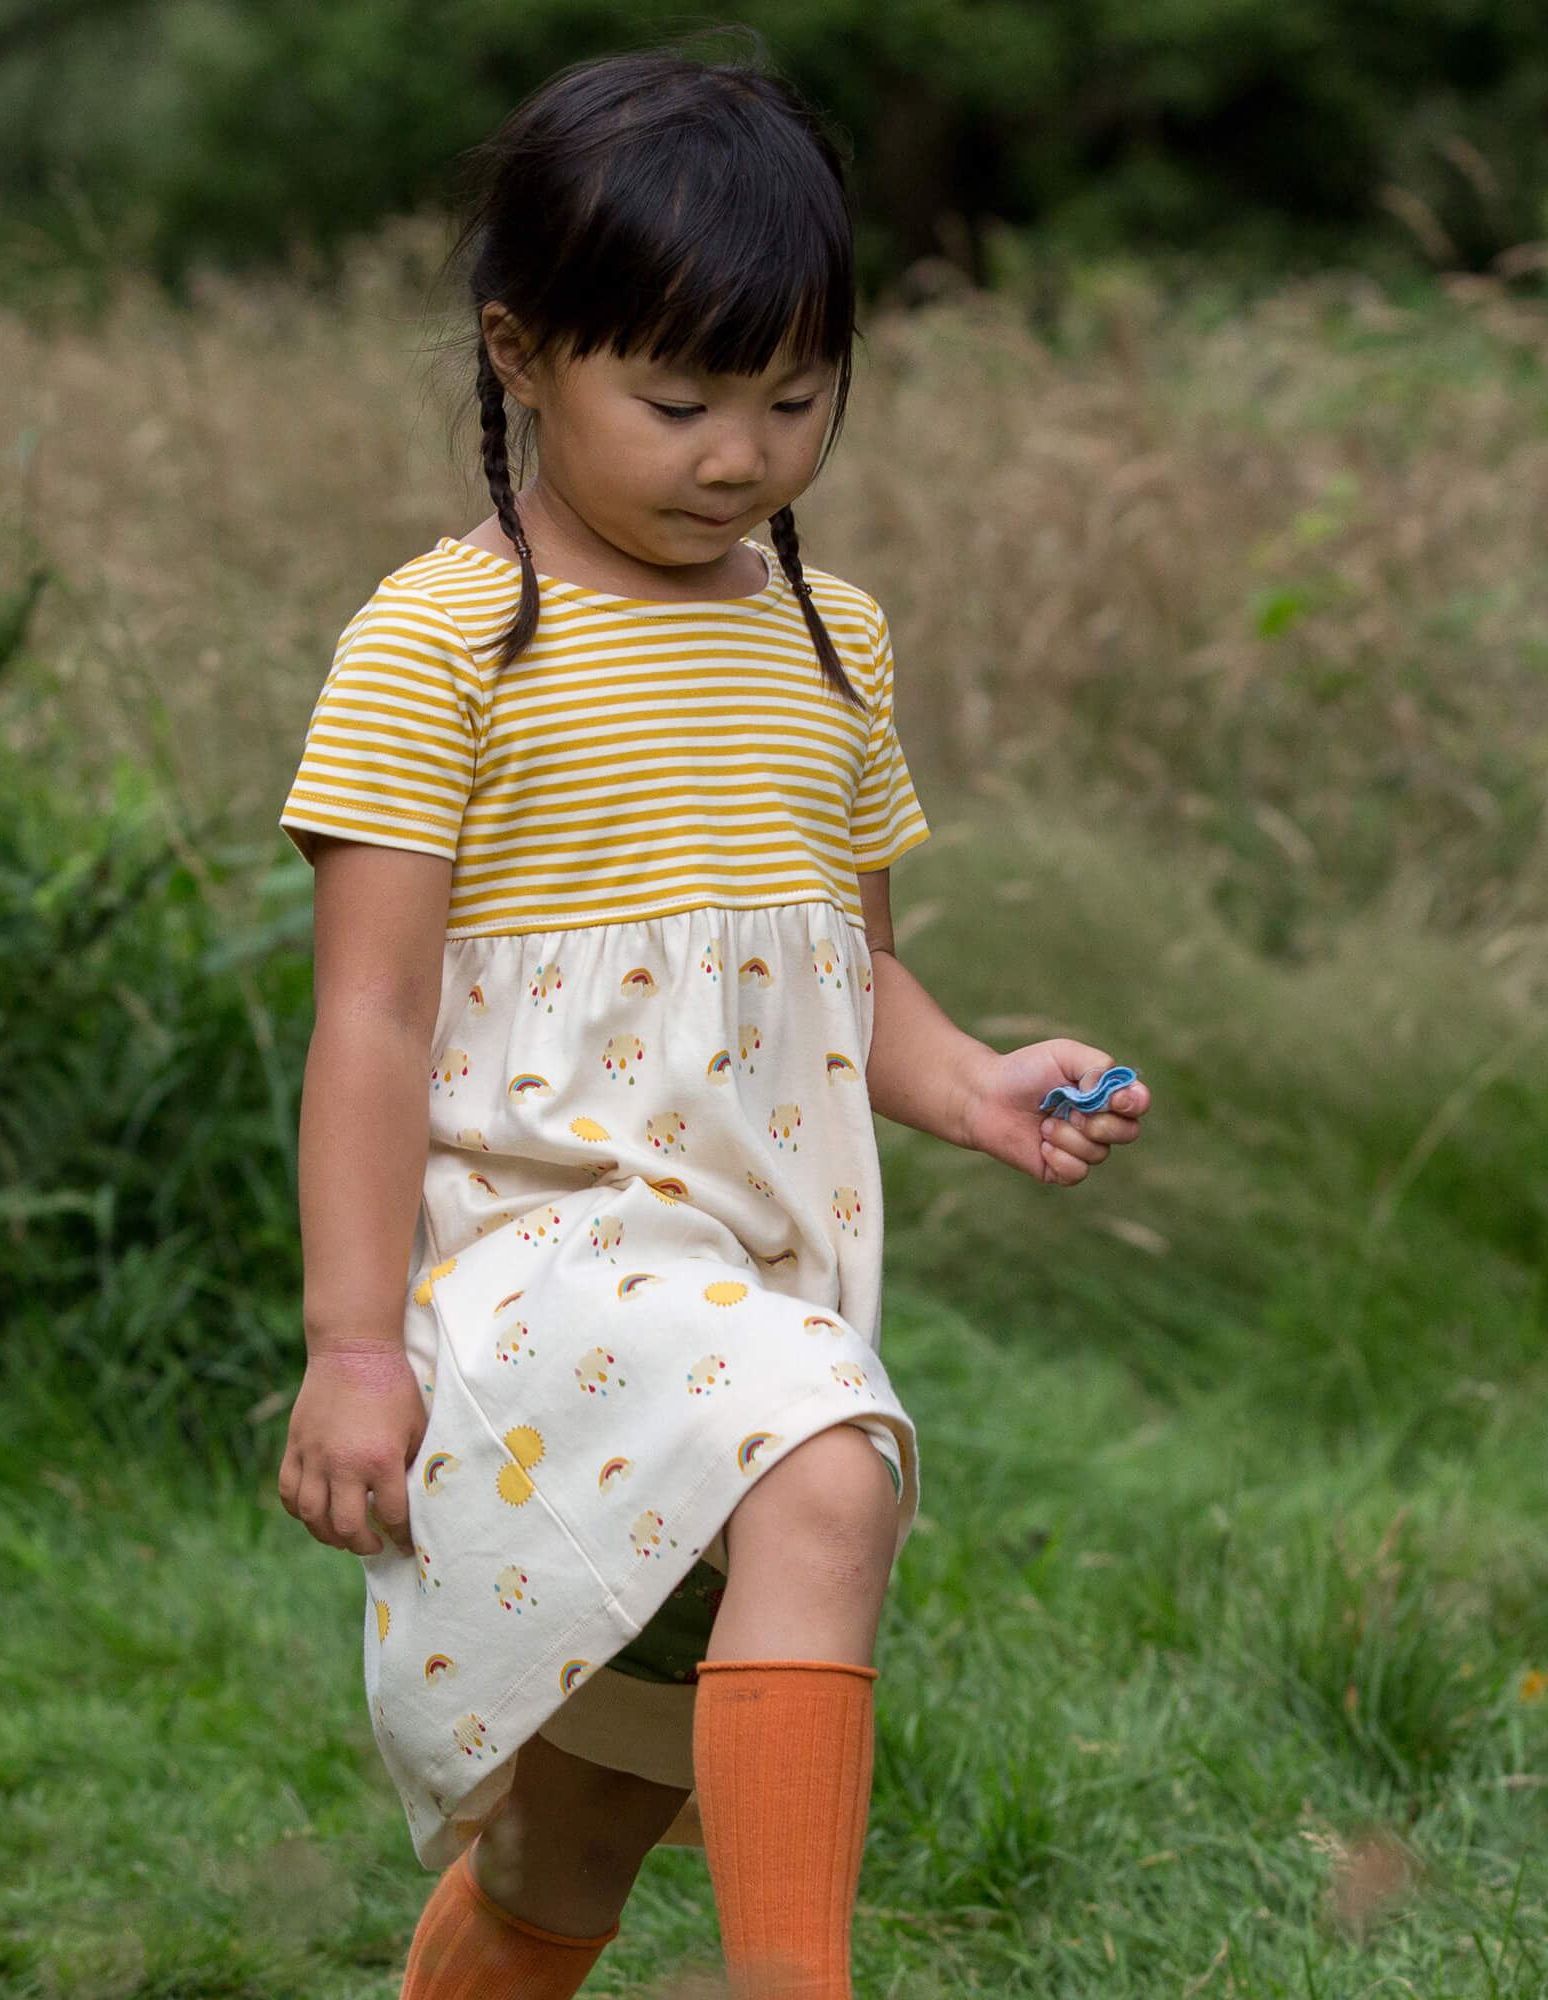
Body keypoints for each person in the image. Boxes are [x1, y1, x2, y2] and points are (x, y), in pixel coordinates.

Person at [275, 45, 1150, 2000]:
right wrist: (349, 1346)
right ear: (520, 353)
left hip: (757, 1269)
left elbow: (849, 977)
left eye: (793, 396)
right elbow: (372, 1021)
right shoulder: (438, 643)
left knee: (587, 1820)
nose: (738, 454)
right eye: (674, 399)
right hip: (542, 1263)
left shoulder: (831, 639)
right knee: (832, 1462)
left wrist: (974, 1083)